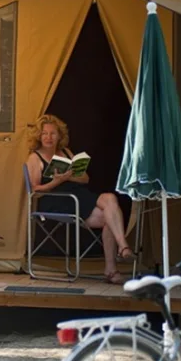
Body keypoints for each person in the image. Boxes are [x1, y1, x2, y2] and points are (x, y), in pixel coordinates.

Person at [26, 114, 132, 284]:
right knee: (110, 215)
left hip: (78, 196)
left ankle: (120, 252)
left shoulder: (66, 152)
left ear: (59, 136)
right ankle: (117, 260)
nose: (48, 137)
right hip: (57, 200)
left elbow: (85, 178)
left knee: (110, 201)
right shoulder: (34, 158)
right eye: (44, 133)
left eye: (53, 133)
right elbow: (35, 190)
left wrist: (68, 176)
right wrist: (56, 182)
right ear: (39, 136)